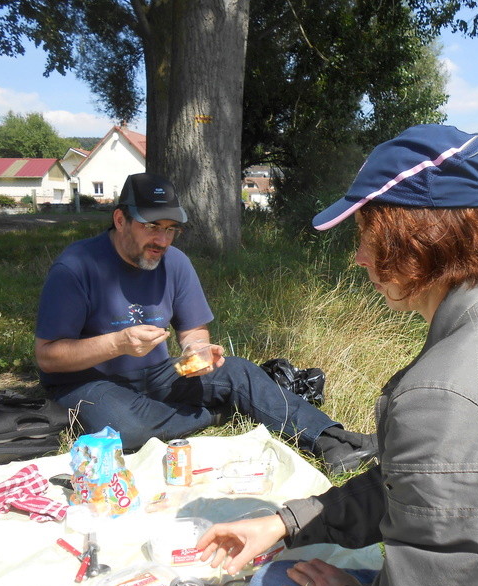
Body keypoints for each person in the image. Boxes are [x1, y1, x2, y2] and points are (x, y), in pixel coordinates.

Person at [196, 125, 478, 586]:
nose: (359, 259)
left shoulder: (445, 395)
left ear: (411, 242)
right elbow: (421, 488)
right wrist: (286, 523)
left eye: (366, 236)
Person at [34, 172, 376, 475]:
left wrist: (197, 351)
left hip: (156, 374)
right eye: (151, 227)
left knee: (239, 372)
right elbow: (49, 357)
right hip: (87, 382)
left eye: (171, 230)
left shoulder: (175, 263)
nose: (162, 241)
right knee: (126, 429)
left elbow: (194, 330)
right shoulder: (76, 267)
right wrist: (116, 344)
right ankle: (214, 413)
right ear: (121, 219)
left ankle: (334, 440)